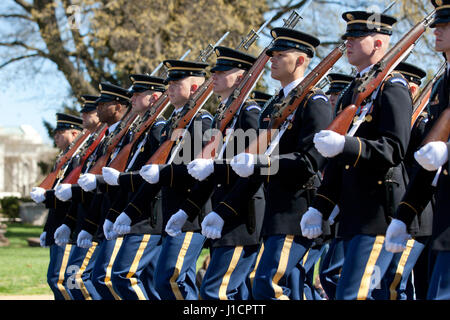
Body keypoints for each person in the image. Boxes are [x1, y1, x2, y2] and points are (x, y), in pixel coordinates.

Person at [190, 27, 333, 300]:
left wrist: (261, 163)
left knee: (267, 286)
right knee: (275, 289)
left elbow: (309, 161)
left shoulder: (314, 102)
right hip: (273, 213)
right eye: (272, 55)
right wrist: (223, 211)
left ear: (301, 60)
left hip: (297, 210)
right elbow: (251, 171)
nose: (272, 60)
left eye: (281, 55)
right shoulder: (275, 106)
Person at [301, 10, 412, 300]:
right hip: (352, 214)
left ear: (378, 44)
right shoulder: (353, 91)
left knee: (354, 295)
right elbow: (339, 163)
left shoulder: (393, 86)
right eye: (347, 37)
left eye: (356, 37)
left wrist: (347, 146)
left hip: (378, 213)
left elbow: (395, 148)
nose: (347, 43)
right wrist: (320, 206)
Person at [163, 46, 264, 300]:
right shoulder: (224, 116)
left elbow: (251, 170)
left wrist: (223, 212)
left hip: (242, 216)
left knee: (215, 293)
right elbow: (212, 175)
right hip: (224, 215)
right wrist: (187, 209)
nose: (214, 75)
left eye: (222, 71)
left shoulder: (249, 113)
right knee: (232, 294)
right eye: (214, 71)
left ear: (241, 78)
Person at [113, 59, 213, 300]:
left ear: (193, 88)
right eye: (168, 82)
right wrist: (128, 211)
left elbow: (195, 169)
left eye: (176, 83)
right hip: (173, 214)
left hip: (190, 214)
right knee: (176, 280)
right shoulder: (173, 123)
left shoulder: (201, 121)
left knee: (168, 280)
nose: (169, 87)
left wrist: (161, 173)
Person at [385, 0, 450, 300]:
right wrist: (404, 214)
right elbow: (428, 161)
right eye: (437, 23)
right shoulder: (442, 86)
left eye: (446, 25)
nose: (436, 30)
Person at [100, 74, 167, 300]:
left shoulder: (158, 129)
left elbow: (151, 177)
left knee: (123, 275)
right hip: (136, 213)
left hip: (147, 215)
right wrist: (114, 213)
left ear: (154, 98)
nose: (133, 99)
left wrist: (128, 212)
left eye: (139, 94)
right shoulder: (141, 130)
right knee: (151, 281)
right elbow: (129, 180)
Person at [30, 113, 83, 300]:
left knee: (61, 280)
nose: (56, 136)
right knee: (56, 279)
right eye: (56, 132)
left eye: (62, 132)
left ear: (75, 133)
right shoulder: (64, 160)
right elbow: (56, 201)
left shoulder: (78, 160)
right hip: (57, 226)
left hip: (69, 227)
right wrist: (47, 228)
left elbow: (71, 198)